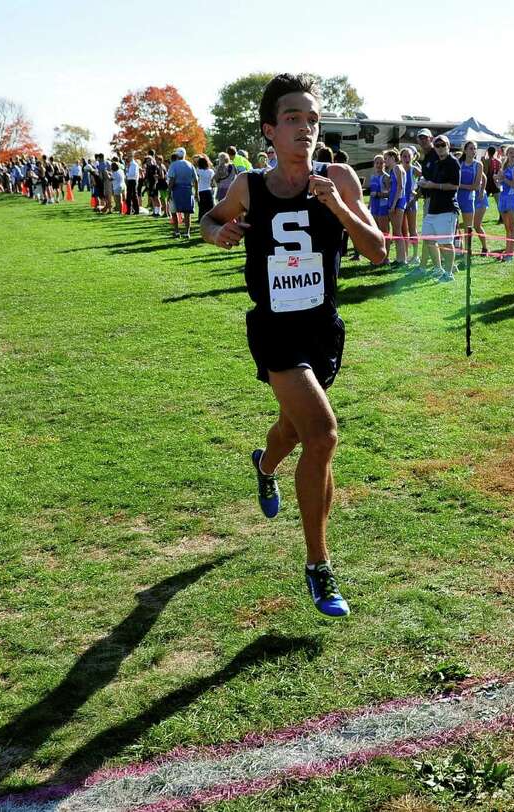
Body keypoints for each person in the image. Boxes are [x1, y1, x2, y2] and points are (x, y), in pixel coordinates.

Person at [200, 74, 386, 617]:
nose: (305, 129)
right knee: (323, 435)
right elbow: (210, 219)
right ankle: (318, 567)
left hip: (322, 328)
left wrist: (339, 207)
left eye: (312, 120)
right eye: (292, 119)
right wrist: (218, 233)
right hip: (274, 328)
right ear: (269, 130)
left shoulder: (339, 177)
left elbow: (377, 251)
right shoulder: (248, 186)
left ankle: (264, 466)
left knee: (293, 430)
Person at [416, 135, 461, 280]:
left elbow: (455, 186)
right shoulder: (436, 162)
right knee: (429, 239)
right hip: (433, 208)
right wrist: (423, 182)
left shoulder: (453, 162)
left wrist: (434, 185)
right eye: (437, 145)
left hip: (447, 208)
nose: (440, 148)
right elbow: (428, 179)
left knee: (446, 242)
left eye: (443, 145)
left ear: (448, 146)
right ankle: (438, 269)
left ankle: (448, 274)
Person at [455, 141, 488, 255]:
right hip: (456, 197)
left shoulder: (478, 165)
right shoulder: (459, 163)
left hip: (469, 199)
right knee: (455, 226)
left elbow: (475, 186)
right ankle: (459, 249)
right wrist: (458, 186)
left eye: (475, 149)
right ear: (465, 150)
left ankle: (470, 251)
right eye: (470, 148)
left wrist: (459, 186)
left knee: (469, 227)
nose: (473, 151)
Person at [494, 145, 514, 261]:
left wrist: (503, 178)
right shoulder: (504, 165)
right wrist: (496, 179)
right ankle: (507, 251)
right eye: (511, 152)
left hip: (511, 197)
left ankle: (510, 254)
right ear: (507, 154)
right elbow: (499, 184)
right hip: (502, 197)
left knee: (511, 226)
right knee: (506, 227)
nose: (513, 154)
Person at [367, 154, 392, 261]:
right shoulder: (372, 177)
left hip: (383, 207)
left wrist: (378, 194)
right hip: (374, 207)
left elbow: (390, 194)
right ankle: (377, 257)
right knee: (375, 233)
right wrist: (369, 205)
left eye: (381, 163)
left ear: (384, 164)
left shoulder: (386, 177)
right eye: (377, 163)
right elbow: (371, 193)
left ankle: (386, 258)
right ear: (374, 164)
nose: (379, 165)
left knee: (384, 233)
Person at [167, 148, 196, 238]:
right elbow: (196, 179)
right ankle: (187, 232)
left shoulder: (173, 165)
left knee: (173, 211)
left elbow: (172, 179)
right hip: (188, 190)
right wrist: (196, 192)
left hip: (176, 190)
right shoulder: (190, 164)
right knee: (187, 213)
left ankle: (177, 231)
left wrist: (169, 191)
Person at [384, 149, 407, 265]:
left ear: (393, 158)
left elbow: (400, 187)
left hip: (397, 202)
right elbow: (392, 188)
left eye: (386, 158)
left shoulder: (397, 168)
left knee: (398, 232)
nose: (385, 161)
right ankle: (399, 258)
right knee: (396, 232)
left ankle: (401, 259)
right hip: (395, 201)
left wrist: (393, 204)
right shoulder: (393, 170)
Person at [194, 154, 215, 221]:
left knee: (201, 207)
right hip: (208, 190)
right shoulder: (211, 171)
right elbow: (212, 182)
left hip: (200, 190)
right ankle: (210, 219)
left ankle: (201, 219)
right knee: (209, 207)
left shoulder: (198, 171)